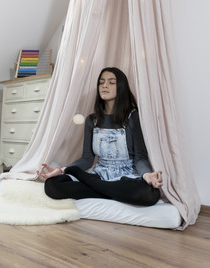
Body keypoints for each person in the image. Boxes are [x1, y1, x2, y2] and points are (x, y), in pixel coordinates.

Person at [37, 67, 163, 206]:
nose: (104, 85)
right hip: (99, 174)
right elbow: (87, 159)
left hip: (125, 176)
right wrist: (61, 170)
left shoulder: (132, 117)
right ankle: (111, 192)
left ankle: (100, 189)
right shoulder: (92, 120)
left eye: (111, 82)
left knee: (149, 194)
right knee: (52, 185)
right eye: (101, 82)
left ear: (121, 86)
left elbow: (140, 157)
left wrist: (147, 175)